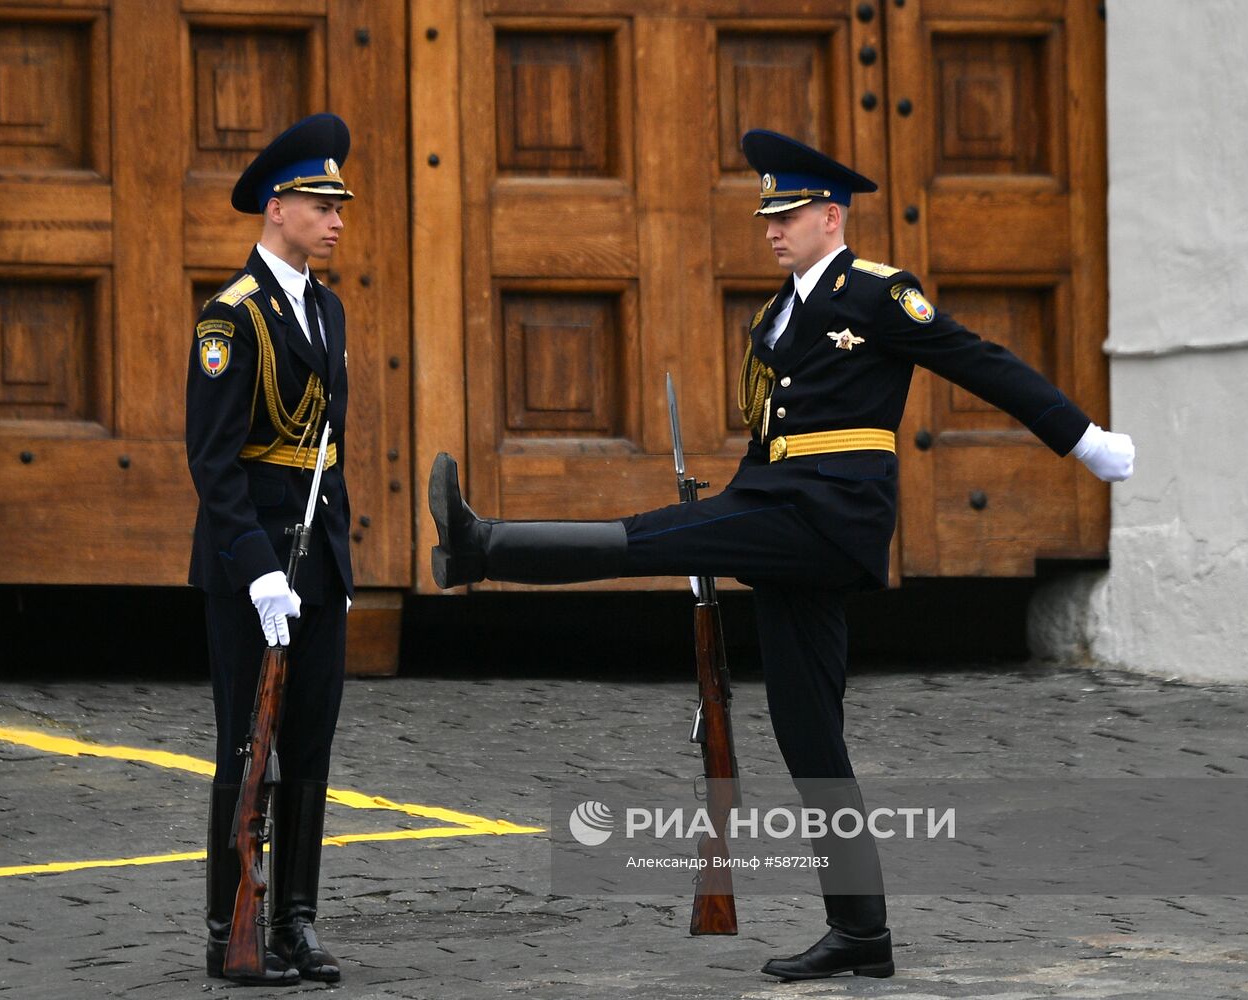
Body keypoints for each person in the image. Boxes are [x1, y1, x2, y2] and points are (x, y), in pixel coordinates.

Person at [427, 128, 1135, 981]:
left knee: (653, 537)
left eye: (789, 213)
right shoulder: (774, 316)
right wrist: (730, 504)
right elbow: (770, 441)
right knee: (810, 734)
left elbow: (978, 362)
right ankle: (862, 934)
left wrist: (1083, 440)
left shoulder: (875, 294)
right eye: (768, 213)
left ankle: (481, 547)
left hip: (828, 518)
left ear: (830, 217)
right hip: (775, 510)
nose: (771, 227)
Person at [185, 113, 355, 986]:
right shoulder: (232, 316)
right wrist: (256, 572)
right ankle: (229, 927)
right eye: (320, 203)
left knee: (312, 747)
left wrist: (340, 571)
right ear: (277, 205)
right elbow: (215, 466)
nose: (335, 220)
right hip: (251, 567)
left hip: (316, 564)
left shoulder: (326, 310)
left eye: (338, 205)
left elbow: (327, 452)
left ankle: (294, 919)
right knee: (248, 750)